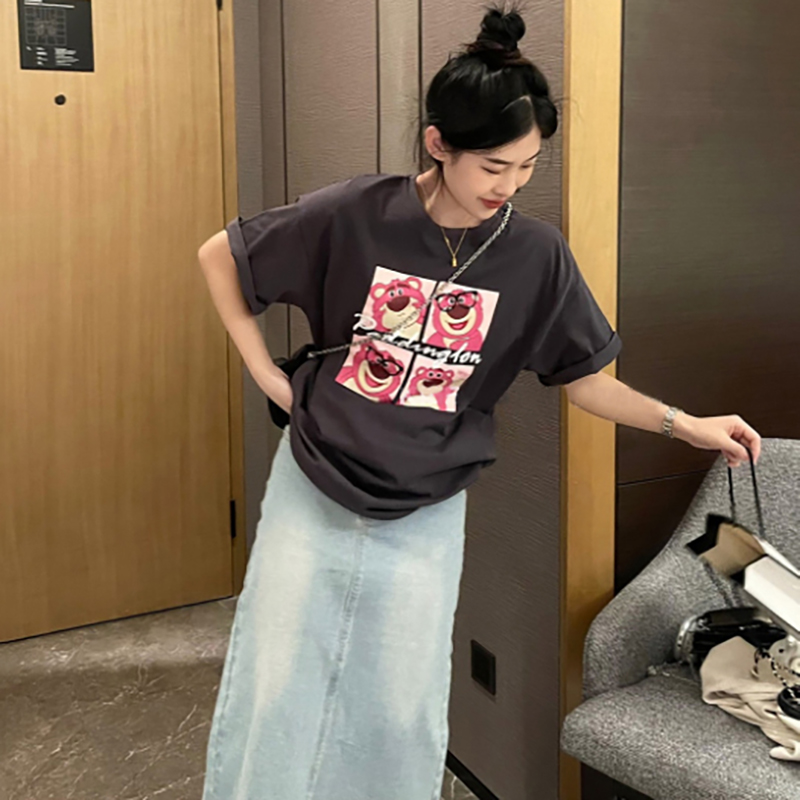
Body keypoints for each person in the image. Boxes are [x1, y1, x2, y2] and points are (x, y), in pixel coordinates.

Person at [197, 6, 762, 799]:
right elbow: (221, 256)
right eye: (495, 166)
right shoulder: (357, 212)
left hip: (427, 500)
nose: (512, 186)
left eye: (527, 166)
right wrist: (264, 373)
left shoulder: (535, 256)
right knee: (279, 677)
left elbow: (585, 379)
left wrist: (686, 425)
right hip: (315, 480)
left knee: (401, 702)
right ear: (439, 144)